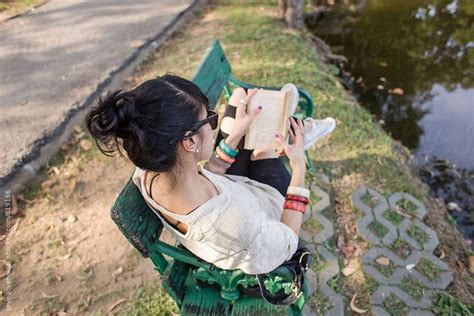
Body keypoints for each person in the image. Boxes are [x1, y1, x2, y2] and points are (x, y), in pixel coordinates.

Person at [85, 74, 336, 274]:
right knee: (264, 149)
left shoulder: (151, 170)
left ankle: (276, 127)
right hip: (267, 211)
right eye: (209, 120)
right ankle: (290, 132)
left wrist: (237, 133)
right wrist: (299, 164)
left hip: (237, 191)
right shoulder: (231, 226)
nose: (212, 125)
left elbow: (209, 174)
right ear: (190, 142)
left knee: (255, 131)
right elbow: (288, 241)